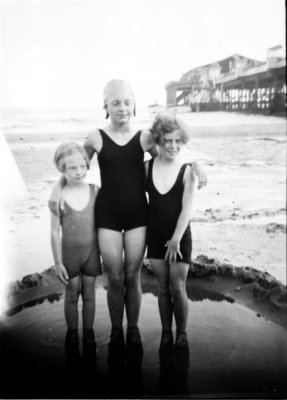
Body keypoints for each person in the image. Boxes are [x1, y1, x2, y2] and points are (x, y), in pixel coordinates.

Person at [49, 79, 207, 354]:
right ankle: (115, 329)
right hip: (107, 215)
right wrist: (56, 188)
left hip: (137, 216)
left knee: (132, 275)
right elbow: (73, 167)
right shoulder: (95, 137)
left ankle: (131, 328)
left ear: (134, 105)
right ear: (105, 106)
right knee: (115, 276)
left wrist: (197, 164)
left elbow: (169, 159)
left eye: (127, 102)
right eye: (115, 102)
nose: (121, 108)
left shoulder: (145, 138)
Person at [145, 114, 196, 353]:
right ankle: (166, 331)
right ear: (158, 140)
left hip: (179, 237)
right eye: (167, 140)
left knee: (178, 288)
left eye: (178, 141)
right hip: (155, 236)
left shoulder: (187, 171)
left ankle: (182, 334)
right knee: (162, 289)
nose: (173, 146)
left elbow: (187, 209)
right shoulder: (146, 168)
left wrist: (176, 239)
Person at [50, 143, 101, 358]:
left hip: (91, 254)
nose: (79, 172)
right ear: (62, 170)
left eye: (82, 166)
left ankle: (88, 332)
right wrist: (58, 262)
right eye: (72, 168)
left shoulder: (95, 191)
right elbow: (54, 232)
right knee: (71, 296)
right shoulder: (58, 198)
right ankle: (72, 333)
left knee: (89, 295)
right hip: (69, 255)